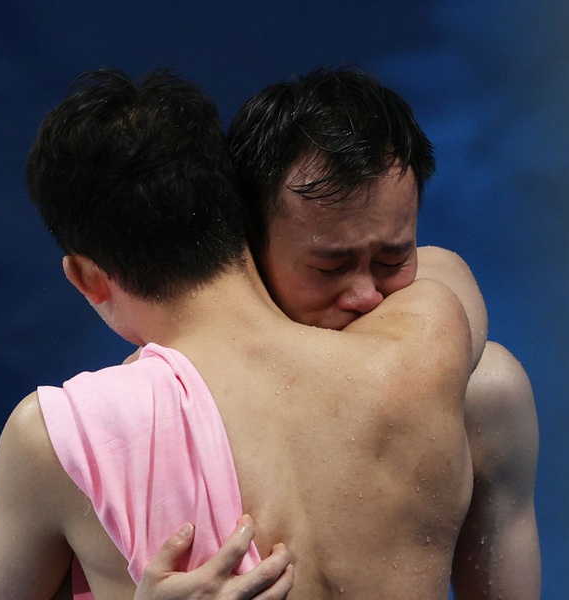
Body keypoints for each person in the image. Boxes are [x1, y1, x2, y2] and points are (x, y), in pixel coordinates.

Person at [0, 68, 486, 599]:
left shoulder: (59, 440)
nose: (364, 296)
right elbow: (442, 270)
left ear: (86, 278)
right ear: (240, 216)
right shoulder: (429, 343)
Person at [225, 67, 541, 599]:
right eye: (330, 268)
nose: (366, 296)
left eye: (393, 259)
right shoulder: (175, 399)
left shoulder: (483, 400)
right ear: (251, 246)